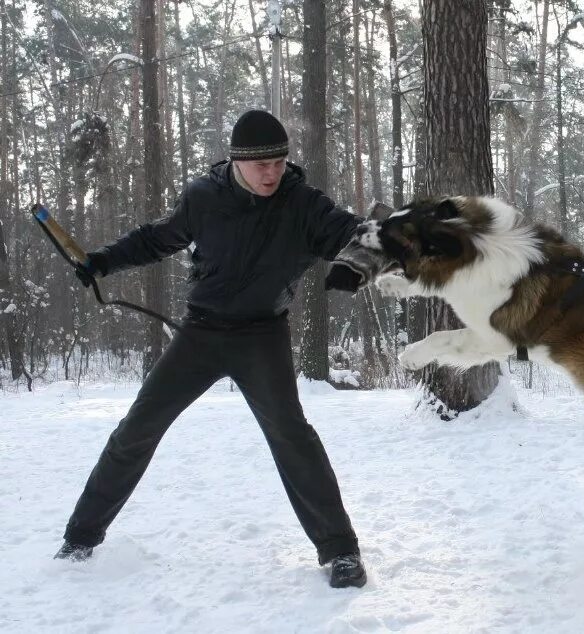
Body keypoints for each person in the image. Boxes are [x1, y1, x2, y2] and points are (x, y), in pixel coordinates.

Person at [54, 109, 367, 589]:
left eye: (280, 162)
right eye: (261, 164)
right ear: (236, 162)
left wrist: (363, 258)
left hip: (263, 336)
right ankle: (80, 536)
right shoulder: (204, 197)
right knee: (136, 429)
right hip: (200, 333)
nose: (272, 173)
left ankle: (341, 552)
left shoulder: (304, 205)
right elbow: (156, 239)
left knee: (292, 437)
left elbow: (356, 234)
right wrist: (100, 262)